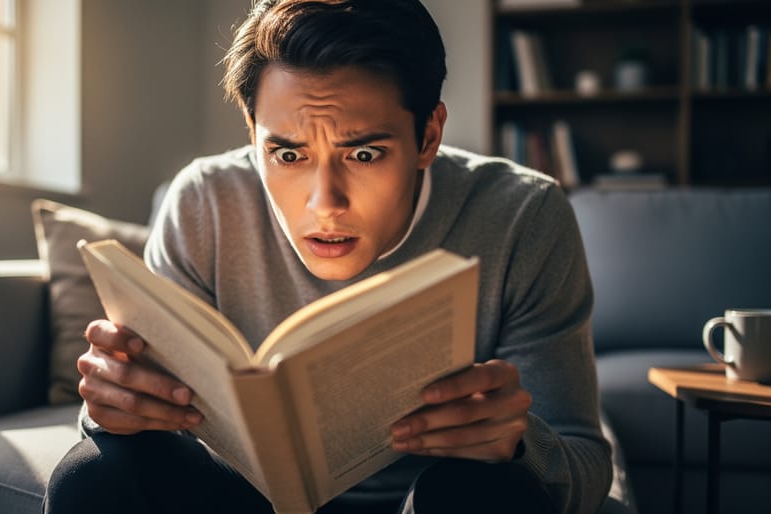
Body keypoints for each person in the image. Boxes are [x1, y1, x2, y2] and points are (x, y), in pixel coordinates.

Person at [44, 1, 612, 513]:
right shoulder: (203, 202)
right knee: (93, 476)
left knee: (487, 495)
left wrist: (517, 443)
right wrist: (113, 408)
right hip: (247, 501)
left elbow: (586, 467)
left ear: (429, 137)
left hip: (436, 502)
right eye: (287, 153)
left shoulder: (523, 214)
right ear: (251, 133)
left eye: (364, 153)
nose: (325, 205)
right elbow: (144, 431)